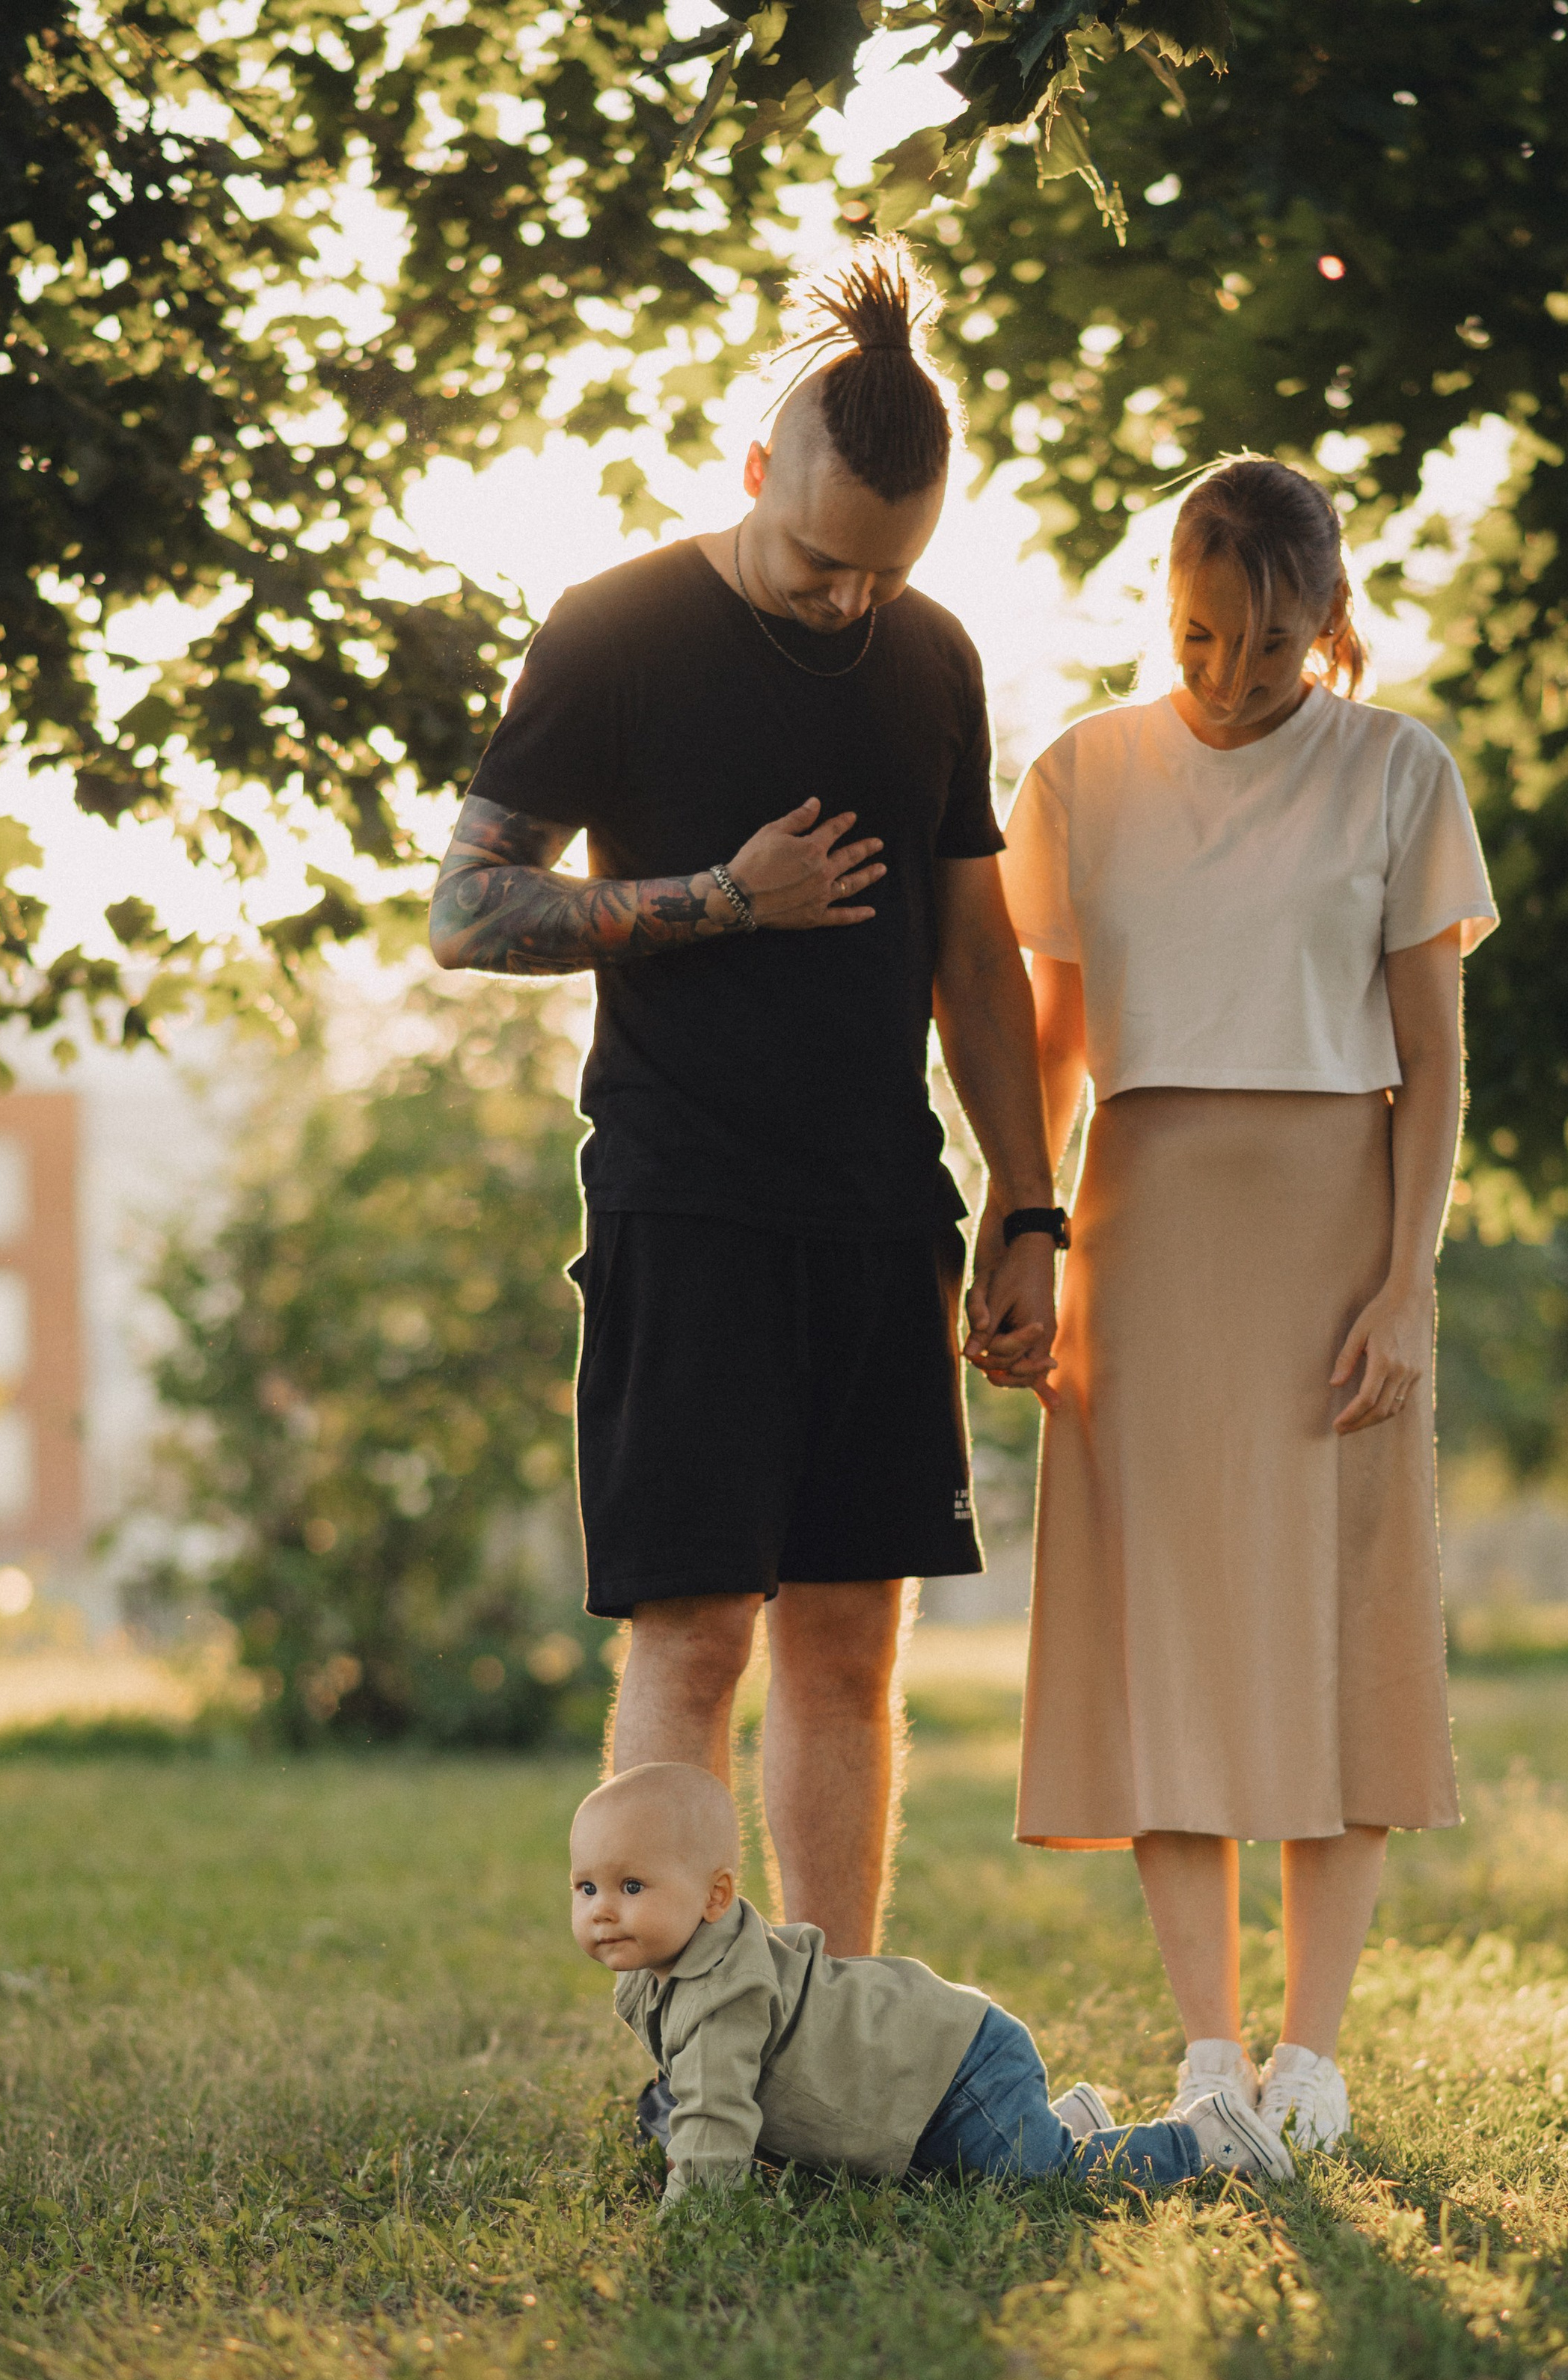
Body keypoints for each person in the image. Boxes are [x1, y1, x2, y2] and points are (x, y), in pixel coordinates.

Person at [429, 248, 1060, 1958]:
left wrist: (1026, 1202)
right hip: (682, 1198)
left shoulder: (931, 657)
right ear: (750, 472)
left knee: (850, 1644)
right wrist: (721, 896)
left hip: (880, 1212)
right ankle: (683, 2043)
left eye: (883, 571)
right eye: (819, 557)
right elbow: (468, 911)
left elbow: (973, 959)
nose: (849, 599)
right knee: (696, 1638)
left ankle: (831, 2025)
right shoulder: (613, 632)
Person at [990, 454, 1497, 2154]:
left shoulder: (1391, 772)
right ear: (1167, 608)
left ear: (1326, 627)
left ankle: (1313, 2052)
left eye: (1268, 649)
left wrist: (1402, 1284)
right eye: (1200, 638)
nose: (1227, 677)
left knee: (1332, 1634)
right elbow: (1049, 1046)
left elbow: (1429, 1066)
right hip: (1140, 1230)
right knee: (1168, 1640)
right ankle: (1207, 2051)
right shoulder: (1078, 777)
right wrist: (1023, 1231)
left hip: (1330, 1233)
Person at [571, 1761, 1291, 2205]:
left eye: (631, 1886)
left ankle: (1204, 2142)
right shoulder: (663, 1973)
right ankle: (1066, 2120)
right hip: (918, 2086)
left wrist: (697, 2218)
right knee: (964, 2171)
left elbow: (718, 2116)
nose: (603, 1909)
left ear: (715, 1897)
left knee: (1035, 2181)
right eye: (586, 1888)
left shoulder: (726, 1992)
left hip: (956, 2066)